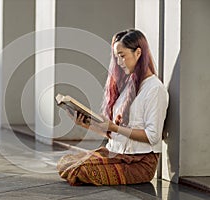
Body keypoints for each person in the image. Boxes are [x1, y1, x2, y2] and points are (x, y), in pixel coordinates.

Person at [57, 29, 169, 186]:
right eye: (116, 57)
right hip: (116, 154)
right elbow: (115, 134)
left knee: (78, 171)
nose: (119, 62)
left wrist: (115, 128)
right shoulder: (128, 87)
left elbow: (153, 136)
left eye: (122, 56)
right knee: (66, 163)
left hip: (140, 163)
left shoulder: (155, 89)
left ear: (138, 53)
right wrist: (86, 124)